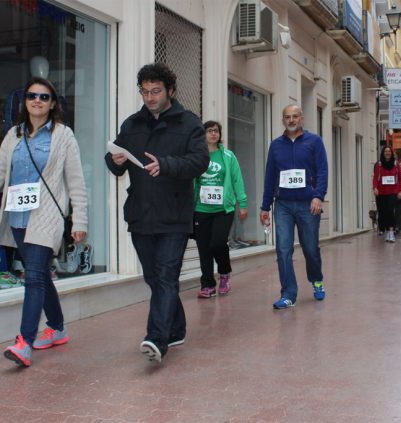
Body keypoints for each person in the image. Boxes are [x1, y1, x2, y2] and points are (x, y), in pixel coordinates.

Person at [0, 77, 88, 367]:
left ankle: (24, 343)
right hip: (18, 218)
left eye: (44, 97)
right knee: (41, 275)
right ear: (25, 101)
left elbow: (76, 182)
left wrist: (79, 220)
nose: (37, 101)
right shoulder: (14, 135)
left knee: (32, 277)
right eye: (32, 96)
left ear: (53, 103)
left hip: (46, 216)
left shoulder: (63, 136)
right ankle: (57, 328)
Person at [104, 63, 208, 363]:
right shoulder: (132, 124)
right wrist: (117, 160)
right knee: (154, 277)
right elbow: (113, 163)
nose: (150, 97)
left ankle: (156, 338)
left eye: (156, 91)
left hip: (174, 215)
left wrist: (167, 164)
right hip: (140, 213)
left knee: (165, 276)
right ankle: (176, 328)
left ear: (170, 90)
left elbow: (199, 161)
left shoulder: (189, 123)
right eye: (145, 92)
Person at [260, 104, 328, 309]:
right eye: (287, 117)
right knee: (283, 249)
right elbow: (270, 177)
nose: (291, 120)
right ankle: (288, 293)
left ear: (302, 119)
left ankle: (316, 280)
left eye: (295, 116)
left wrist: (318, 196)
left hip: (308, 204)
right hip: (283, 205)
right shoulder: (275, 145)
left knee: (310, 249)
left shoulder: (314, 142)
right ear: (283, 120)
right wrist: (265, 206)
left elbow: (323, 171)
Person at [193, 120, 248, 298]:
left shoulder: (228, 156)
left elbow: (237, 180)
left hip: (224, 209)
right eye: (209, 131)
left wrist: (243, 203)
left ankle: (224, 273)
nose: (213, 134)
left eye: (216, 131)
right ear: (203, 134)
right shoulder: (197, 156)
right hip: (201, 209)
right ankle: (207, 284)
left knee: (217, 243)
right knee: (203, 248)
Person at [372, 146, 401, 243]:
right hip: (381, 192)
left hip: (392, 192)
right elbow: (375, 177)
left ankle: (391, 231)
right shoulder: (379, 164)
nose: (387, 153)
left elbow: (400, 179)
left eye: (389, 151)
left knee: (390, 210)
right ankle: (386, 231)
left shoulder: (396, 164)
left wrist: (400, 191)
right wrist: (375, 188)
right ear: (383, 153)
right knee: (383, 212)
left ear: (391, 153)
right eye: (385, 151)